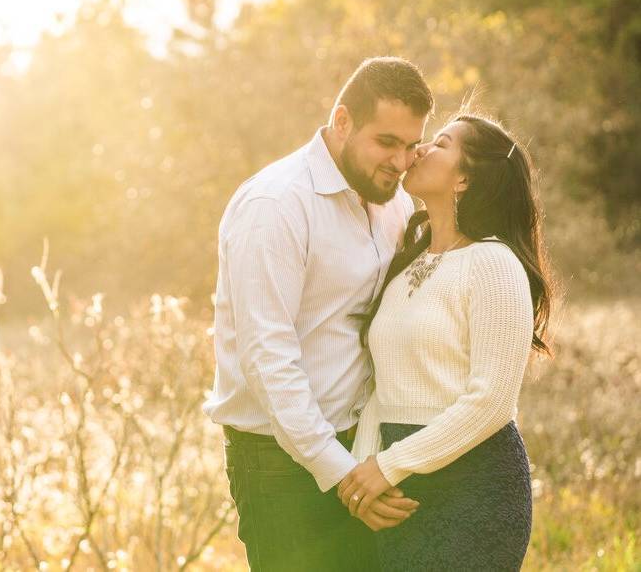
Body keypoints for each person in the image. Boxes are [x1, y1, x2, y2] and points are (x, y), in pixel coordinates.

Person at [203, 56, 432, 571]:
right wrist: (343, 473)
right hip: (281, 465)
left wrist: (370, 463)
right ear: (343, 120)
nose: (401, 162)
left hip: (364, 453)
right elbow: (268, 358)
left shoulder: (391, 201)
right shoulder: (276, 204)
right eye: (387, 142)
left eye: (411, 145)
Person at [338, 114, 553, 571]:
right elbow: (384, 383)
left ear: (464, 178)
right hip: (400, 488)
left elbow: (492, 403)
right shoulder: (407, 262)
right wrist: (365, 473)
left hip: (473, 486)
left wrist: (389, 466)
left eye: (440, 143)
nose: (418, 151)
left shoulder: (493, 263)